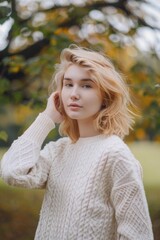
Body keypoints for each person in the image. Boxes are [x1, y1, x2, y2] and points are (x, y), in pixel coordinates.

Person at [0, 45, 153, 240]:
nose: (74, 93)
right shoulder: (58, 151)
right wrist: (46, 118)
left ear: (105, 97)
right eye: (68, 84)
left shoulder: (115, 154)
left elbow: (137, 234)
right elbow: (12, 173)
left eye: (86, 85)